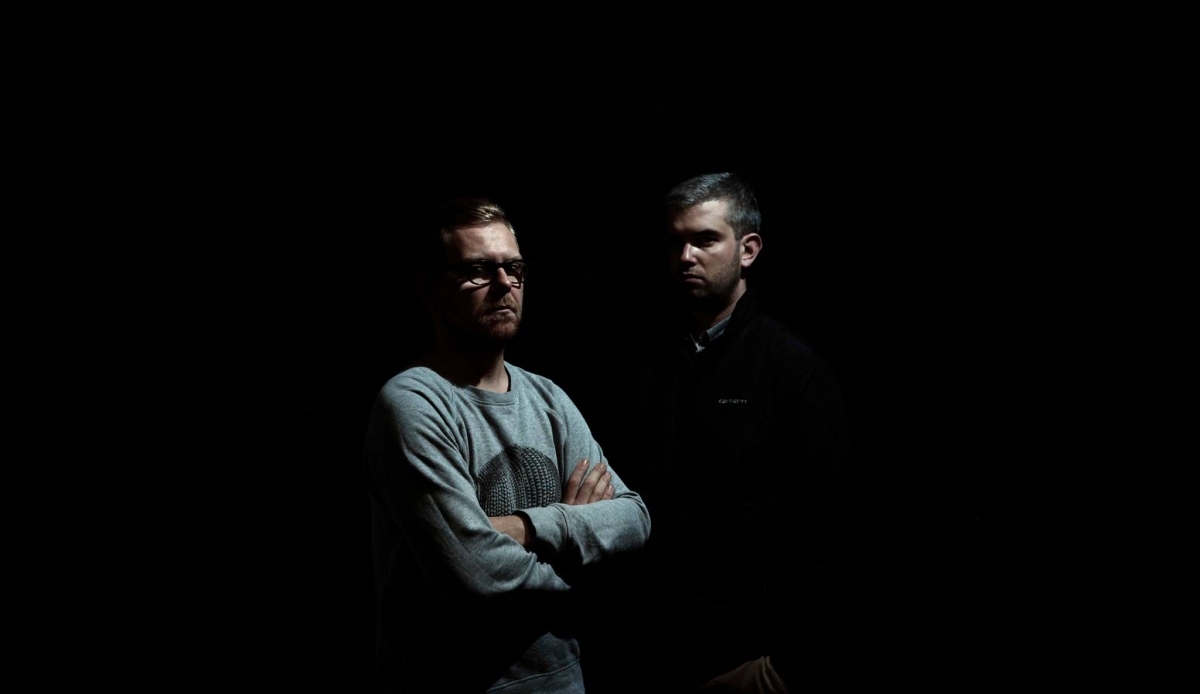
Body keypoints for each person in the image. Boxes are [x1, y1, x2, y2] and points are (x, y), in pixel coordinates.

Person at [365, 198, 651, 693]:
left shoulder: (548, 398)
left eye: (513, 268)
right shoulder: (414, 403)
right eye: (477, 270)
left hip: (563, 681)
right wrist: (585, 555)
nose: (503, 284)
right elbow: (476, 576)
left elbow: (635, 518)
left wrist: (526, 527)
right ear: (429, 289)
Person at [595, 173, 858, 693]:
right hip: (652, 653)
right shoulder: (642, 367)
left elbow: (835, 531)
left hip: (749, 657)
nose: (686, 256)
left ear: (748, 250)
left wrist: (784, 669)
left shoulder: (792, 370)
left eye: (705, 239)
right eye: (675, 241)